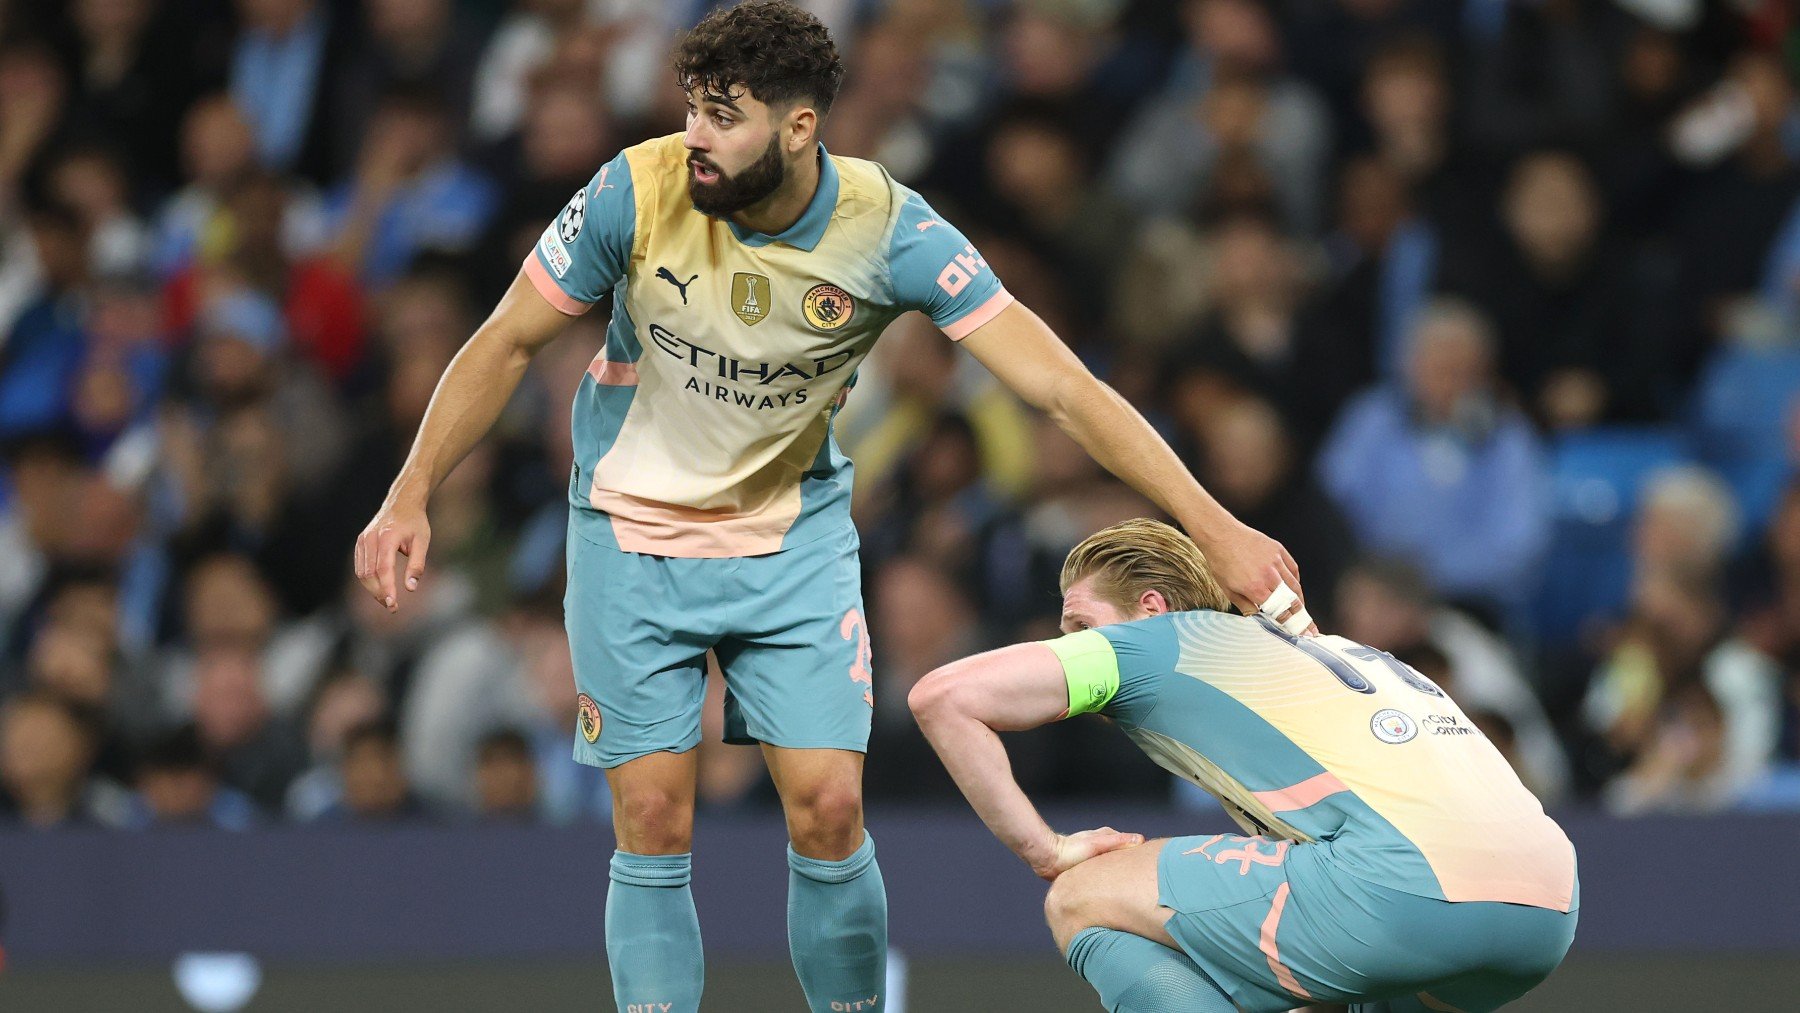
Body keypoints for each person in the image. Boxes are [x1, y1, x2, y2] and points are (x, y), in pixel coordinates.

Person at [352, 5, 1308, 1012]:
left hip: (788, 540)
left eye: (723, 115)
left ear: (799, 128)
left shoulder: (889, 229)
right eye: (691, 110)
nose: (695, 136)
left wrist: (1217, 523)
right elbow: (504, 340)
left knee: (826, 804)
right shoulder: (634, 191)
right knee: (650, 812)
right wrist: (411, 488)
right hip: (629, 534)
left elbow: (1063, 387)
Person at [910, 519, 1577, 1012]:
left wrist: (1047, 847)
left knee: (1083, 898)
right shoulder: (1346, 654)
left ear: (1150, 607)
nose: (1068, 648)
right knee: (1354, 988)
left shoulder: (1154, 643)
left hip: (1404, 891)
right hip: (1547, 909)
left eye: (1078, 625)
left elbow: (943, 698)